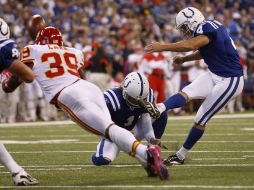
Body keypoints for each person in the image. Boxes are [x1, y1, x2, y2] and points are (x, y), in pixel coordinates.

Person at [3, 26, 169, 180]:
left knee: (109, 131)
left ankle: (146, 152)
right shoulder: (74, 52)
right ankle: (147, 162)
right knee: (111, 129)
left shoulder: (32, 49)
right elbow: (80, 74)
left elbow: (21, 76)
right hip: (90, 88)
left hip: (68, 93)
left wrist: (7, 85)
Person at [144, 7, 244, 165]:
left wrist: (162, 46)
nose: (184, 31)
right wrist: (185, 60)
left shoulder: (205, 28)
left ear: (192, 21)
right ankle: (160, 108)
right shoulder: (210, 26)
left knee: (200, 119)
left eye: (184, 26)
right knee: (187, 92)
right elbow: (203, 49)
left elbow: (192, 45)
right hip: (215, 73)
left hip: (230, 80)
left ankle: (181, 155)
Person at [92, 72, 168, 166]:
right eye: (133, 100)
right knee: (100, 161)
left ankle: (152, 153)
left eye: (139, 101)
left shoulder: (147, 96)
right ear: (124, 90)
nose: (135, 104)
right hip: (114, 136)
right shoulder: (111, 98)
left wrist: (152, 139)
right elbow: (100, 124)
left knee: (161, 114)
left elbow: (146, 126)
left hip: (133, 132)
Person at [0, 18, 38, 185]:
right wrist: (10, 82)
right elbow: (28, 76)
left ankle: (17, 172)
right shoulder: (3, 47)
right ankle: (17, 173)